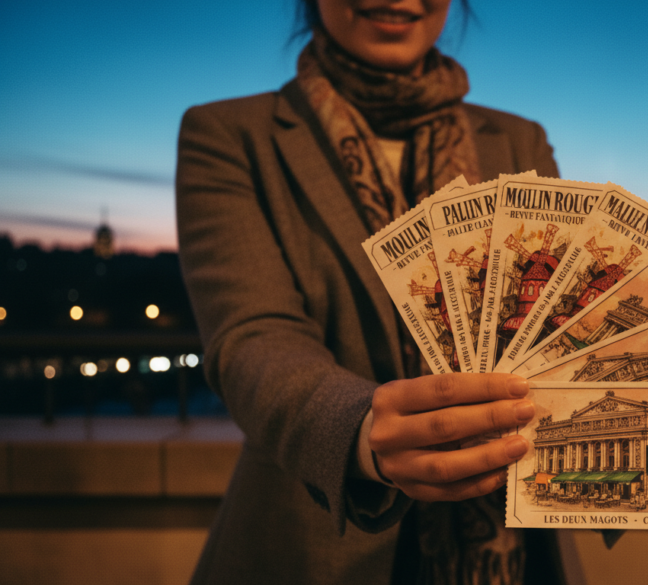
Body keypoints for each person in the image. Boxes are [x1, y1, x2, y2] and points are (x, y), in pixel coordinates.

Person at [175, 1, 564, 583]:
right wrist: (361, 432)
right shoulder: (230, 135)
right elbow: (252, 337)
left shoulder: (519, 141)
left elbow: (562, 326)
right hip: (310, 544)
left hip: (515, 547)